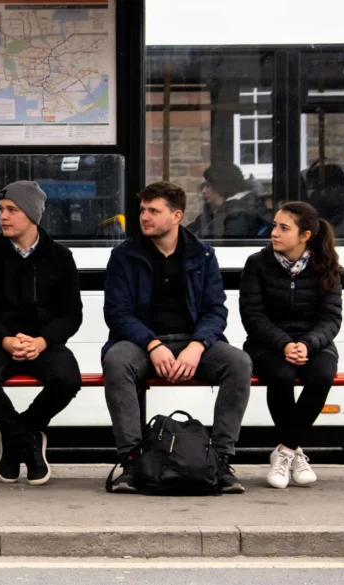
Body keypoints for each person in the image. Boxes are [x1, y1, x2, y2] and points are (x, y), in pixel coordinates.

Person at [103, 181, 252, 494]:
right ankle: (131, 462)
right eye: (142, 209)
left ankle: (220, 461)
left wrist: (197, 346)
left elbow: (216, 310)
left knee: (238, 362)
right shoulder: (124, 255)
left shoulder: (202, 254)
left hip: (192, 342)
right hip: (143, 344)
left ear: (176, 216)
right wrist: (152, 345)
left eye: (153, 211)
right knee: (117, 361)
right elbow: (117, 314)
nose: (144, 216)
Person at [0, 181, 83, 486]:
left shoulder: (60, 257)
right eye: (1, 209)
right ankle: (26, 441)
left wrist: (42, 342)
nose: (3, 216)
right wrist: (5, 339)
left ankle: (16, 434)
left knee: (68, 378)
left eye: (12, 210)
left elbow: (71, 315)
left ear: (32, 214)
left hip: (44, 343)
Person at [239, 201, 343, 489]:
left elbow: (331, 319)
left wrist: (307, 345)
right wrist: (284, 344)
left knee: (322, 374)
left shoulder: (326, 265)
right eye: (274, 225)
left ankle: (285, 450)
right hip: (266, 345)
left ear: (305, 236)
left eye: (284, 228)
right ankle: (294, 453)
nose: (274, 232)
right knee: (281, 376)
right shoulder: (257, 263)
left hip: (314, 344)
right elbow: (252, 316)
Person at [188, 163, 266, 238]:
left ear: (220, 187)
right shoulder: (213, 211)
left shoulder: (238, 215)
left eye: (208, 186)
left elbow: (230, 246)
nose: (204, 191)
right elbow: (188, 232)